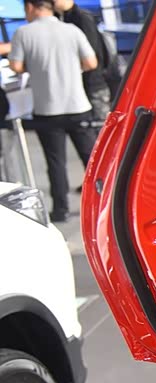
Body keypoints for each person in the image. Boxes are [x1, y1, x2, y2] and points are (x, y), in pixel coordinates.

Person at [8, 0, 98, 222]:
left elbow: (16, 66)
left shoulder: (23, 33)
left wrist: (36, 67)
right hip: (78, 106)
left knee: (55, 162)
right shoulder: (71, 30)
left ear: (30, 7)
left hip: (47, 110)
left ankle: (61, 210)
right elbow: (91, 63)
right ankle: (104, 203)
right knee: (92, 159)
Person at [54, 0, 112, 124]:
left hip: (92, 83)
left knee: (99, 126)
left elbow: (93, 52)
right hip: (77, 85)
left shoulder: (82, 18)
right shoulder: (59, 18)